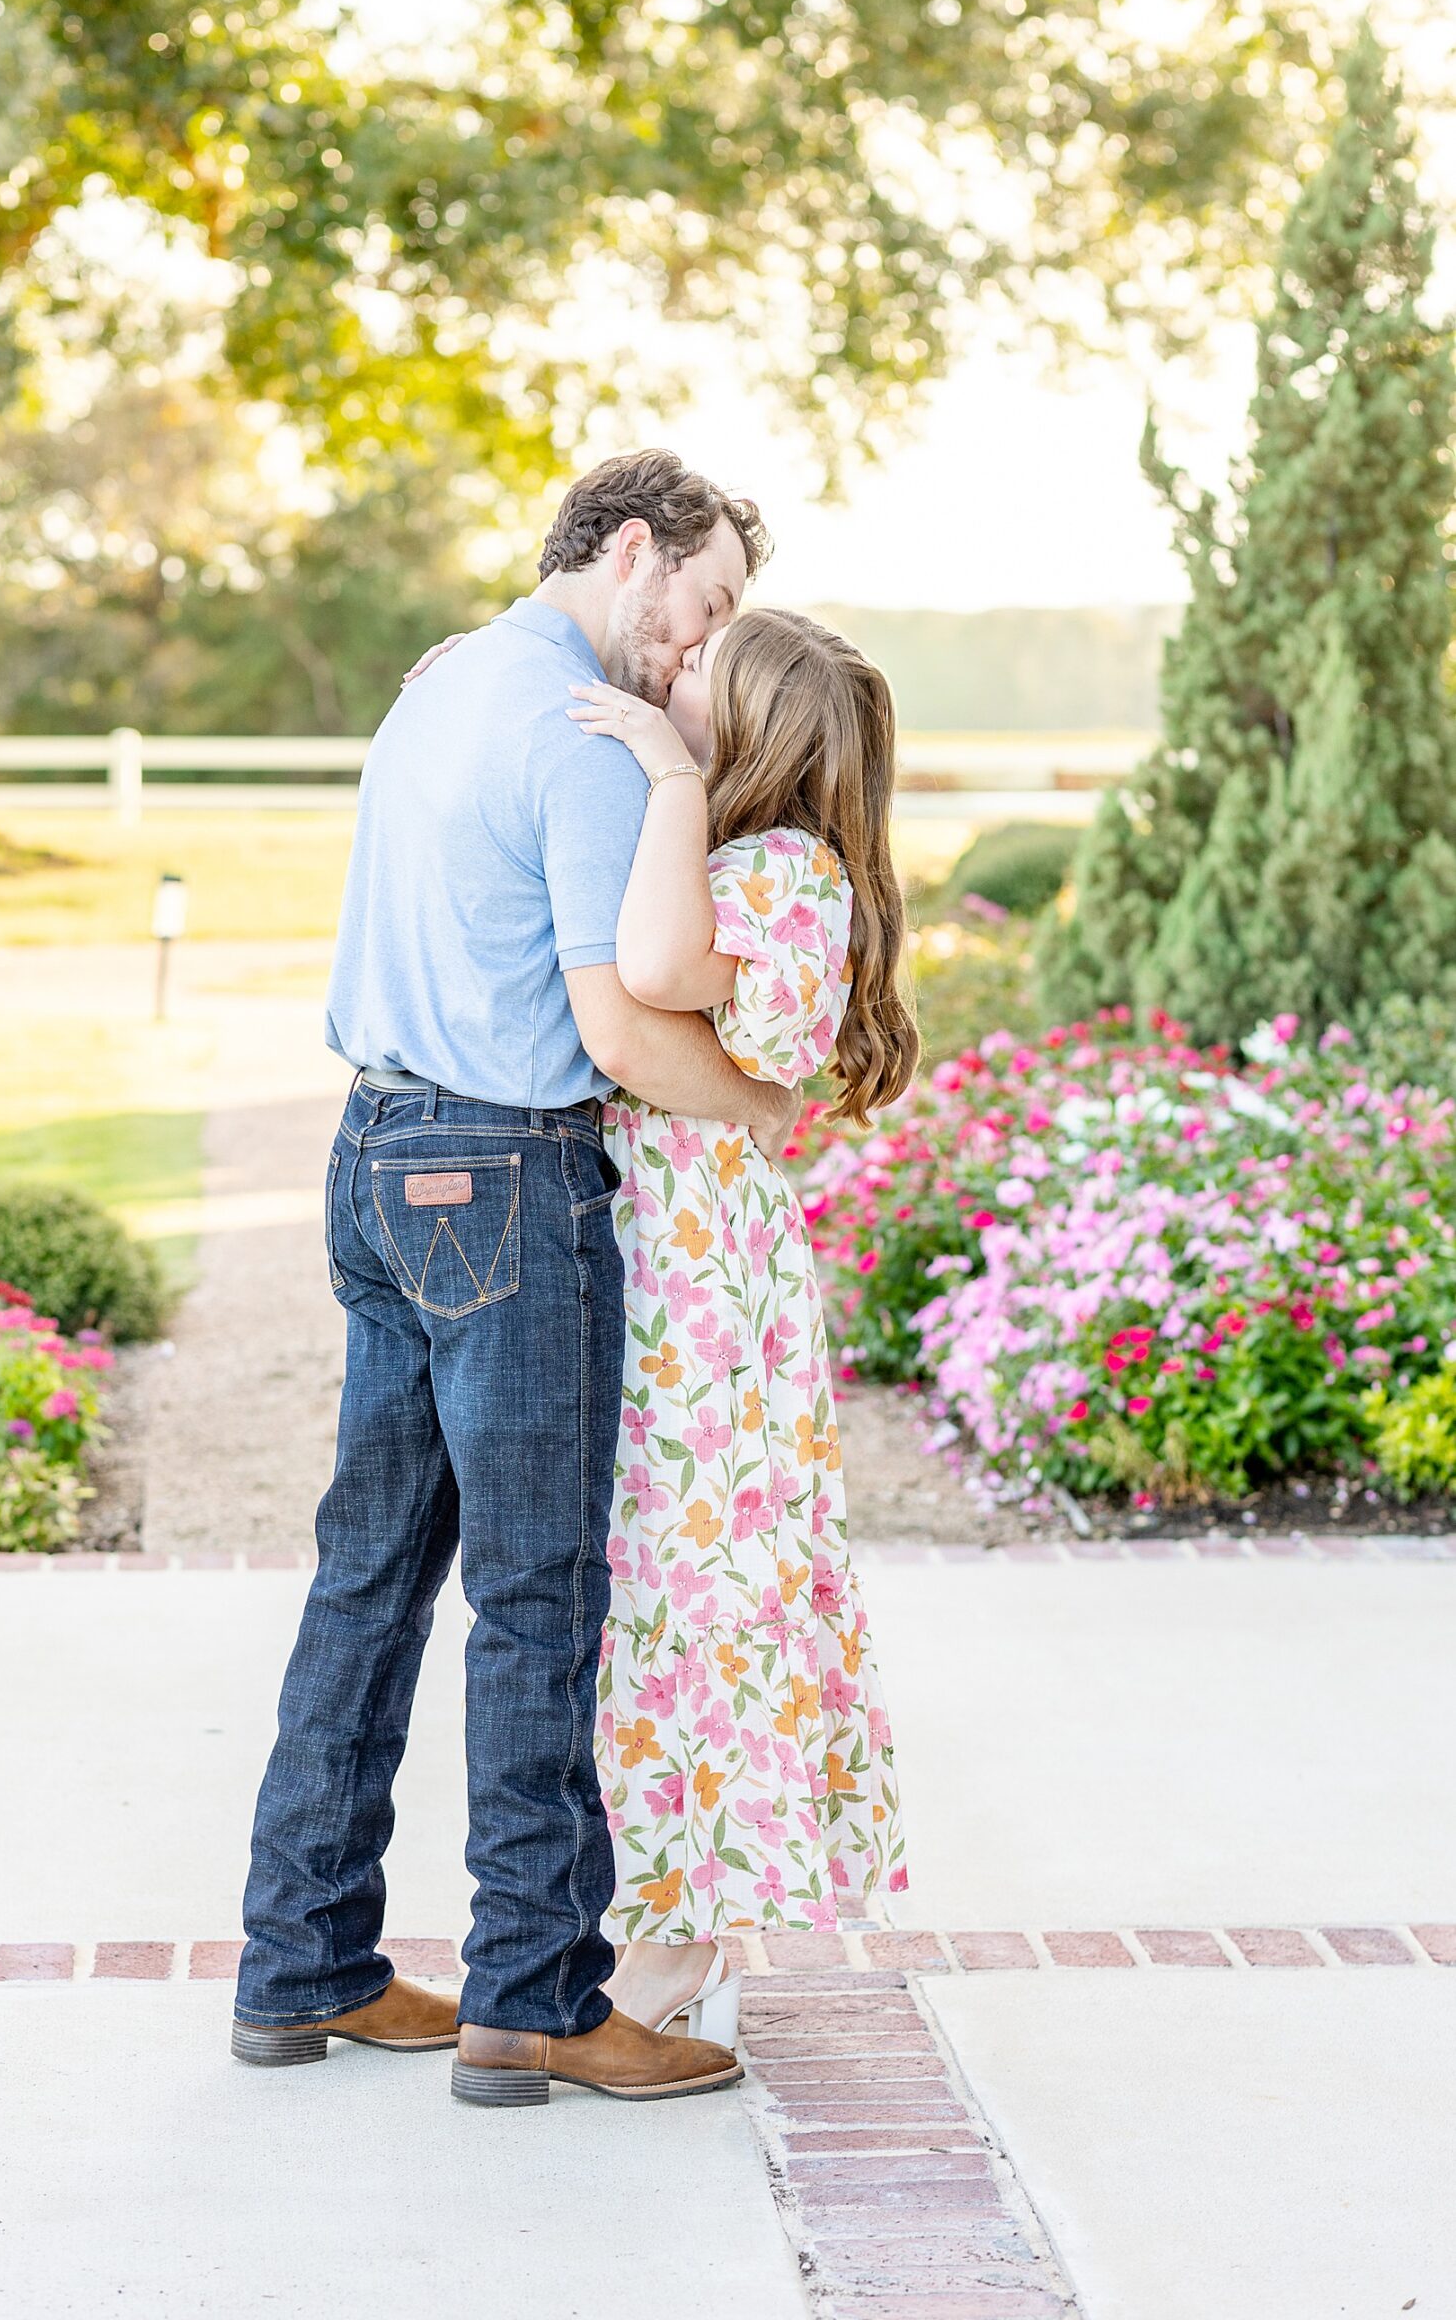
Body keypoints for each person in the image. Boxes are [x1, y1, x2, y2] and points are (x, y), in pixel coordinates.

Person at [232, 451, 806, 2108]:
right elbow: (623, 1022)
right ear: (633, 552)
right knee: (541, 1606)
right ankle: (540, 1995)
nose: (687, 652)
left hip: (373, 1156)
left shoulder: (443, 687)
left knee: (370, 1581)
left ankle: (304, 1963)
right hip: (506, 1169)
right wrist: (766, 1103)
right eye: (697, 609)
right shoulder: (579, 739)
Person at [570, 607, 917, 2043]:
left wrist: (660, 773)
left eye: (703, 666)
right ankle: (653, 1918)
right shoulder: (754, 860)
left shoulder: (782, 870)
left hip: (709, 1279)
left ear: (756, 726)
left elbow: (650, 972)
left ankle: (680, 1950)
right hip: (686, 1251)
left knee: (699, 1592)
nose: (675, 663)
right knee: (658, 1589)